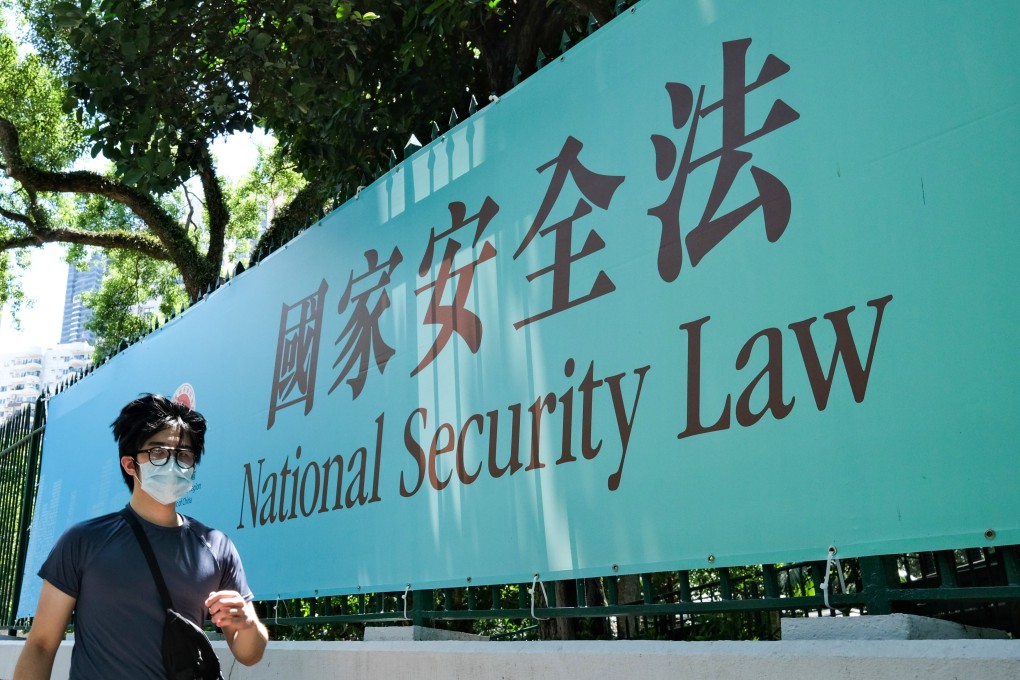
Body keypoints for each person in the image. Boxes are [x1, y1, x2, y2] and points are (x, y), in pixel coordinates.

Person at [14, 394, 268, 679]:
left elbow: (249, 653)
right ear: (130, 464)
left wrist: (247, 624)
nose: (173, 464)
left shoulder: (216, 547)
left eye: (183, 454)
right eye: (158, 453)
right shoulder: (83, 541)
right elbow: (41, 644)